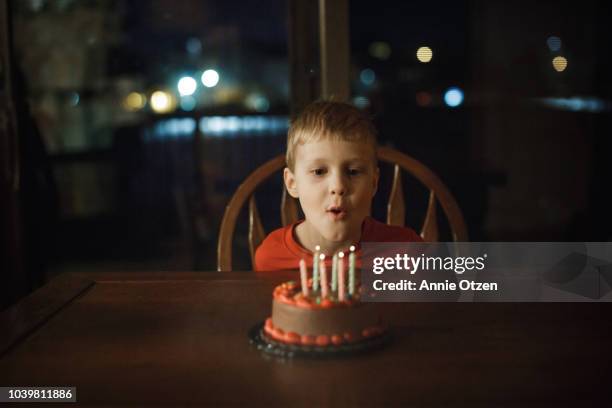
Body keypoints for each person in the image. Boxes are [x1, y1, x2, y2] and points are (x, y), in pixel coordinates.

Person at [255, 101, 422, 271]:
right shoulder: (271, 257)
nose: (338, 186)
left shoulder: (408, 251)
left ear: (373, 183)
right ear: (292, 183)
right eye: (319, 171)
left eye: (353, 171)